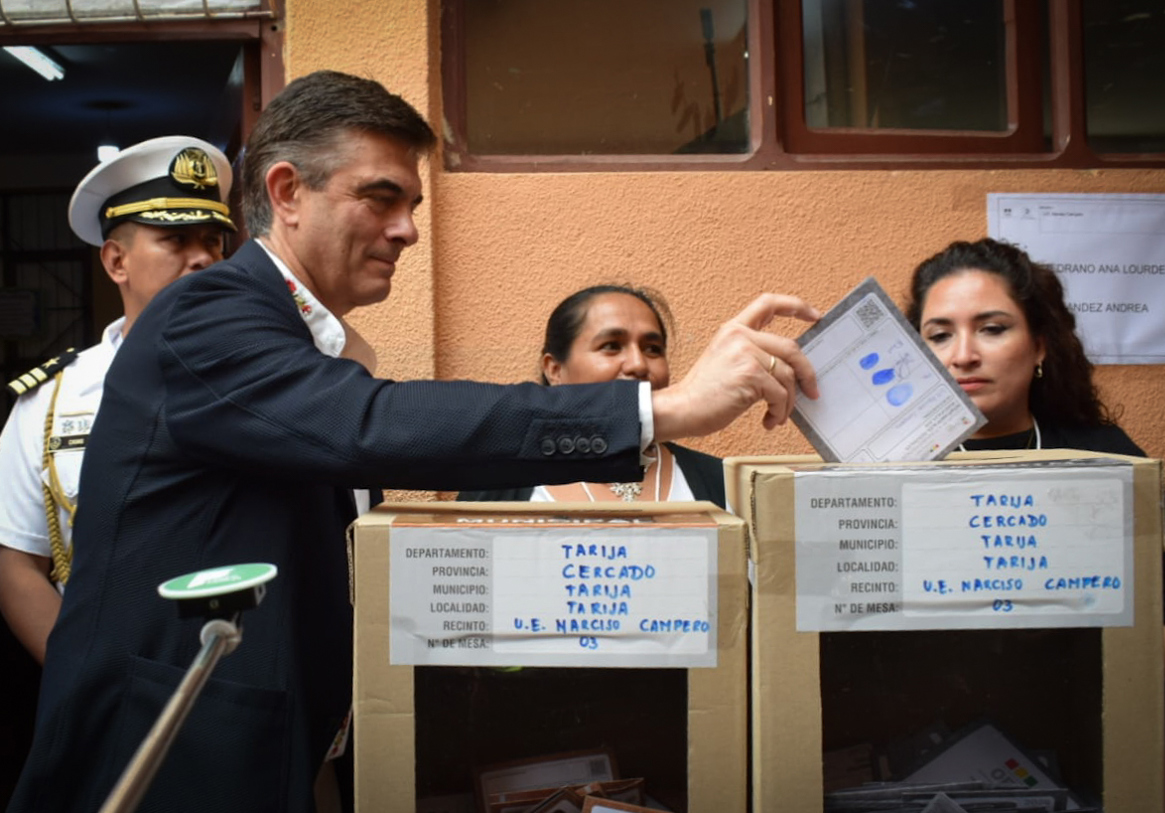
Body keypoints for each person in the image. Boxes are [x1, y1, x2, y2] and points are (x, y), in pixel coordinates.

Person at [10, 70, 820, 813]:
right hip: (163, 745)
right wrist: (664, 409)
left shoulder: (306, 340)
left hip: (251, 734)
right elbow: (374, 424)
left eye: (414, 206)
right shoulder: (207, 311)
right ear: (287, 192)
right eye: (381, 197)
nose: (407, 231)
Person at [906, 236, 1165, 781]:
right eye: (939, 335)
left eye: (992, 328)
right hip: (922, 746)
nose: (963, 355)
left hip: (1090, 745)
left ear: (1040, 346)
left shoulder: (1107, 458)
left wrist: (1088, 657)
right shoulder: (883, 467)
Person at [0, 136, 235, 666]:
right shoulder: (52, 401)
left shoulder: (264, 378)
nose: (204, 258)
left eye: (214, 241)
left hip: (241, 670)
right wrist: (82, 681)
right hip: (109, 672)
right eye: (176, 240)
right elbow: (18, 563)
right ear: (116, 261)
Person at [459, 284, 726, 507]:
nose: (638, 364)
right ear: (555, 370)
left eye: (653, 349)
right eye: (611, 346)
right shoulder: (498, 483)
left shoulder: (720, 482)